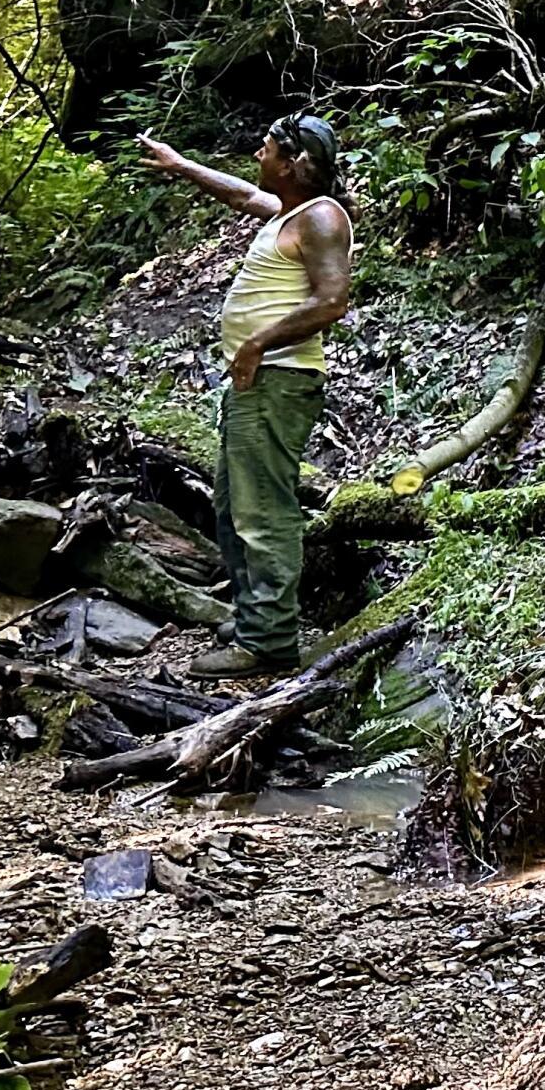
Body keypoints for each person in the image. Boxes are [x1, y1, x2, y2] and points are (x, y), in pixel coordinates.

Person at [137, 114, 353, 679]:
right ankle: (256, 615)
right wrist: (180, 164)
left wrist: (257, 343)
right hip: (253, 385)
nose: (256, 154)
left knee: (264, 512)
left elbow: (332, 302)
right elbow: (243, 194)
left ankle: (269, 642)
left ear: (290, 163)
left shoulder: (323, 217)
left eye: (265, 148)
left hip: (278, 383)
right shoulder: (289, 210)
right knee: (232, 507)